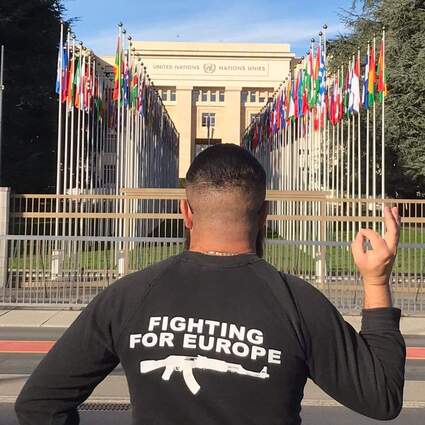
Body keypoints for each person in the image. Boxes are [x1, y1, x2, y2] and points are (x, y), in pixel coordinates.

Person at [15, 144, 405, 425]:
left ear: (185, 212)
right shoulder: (298, 302)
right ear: (265, 214)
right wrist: (376, 281)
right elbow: (381, 398)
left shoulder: (128, 296)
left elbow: (38, 404)